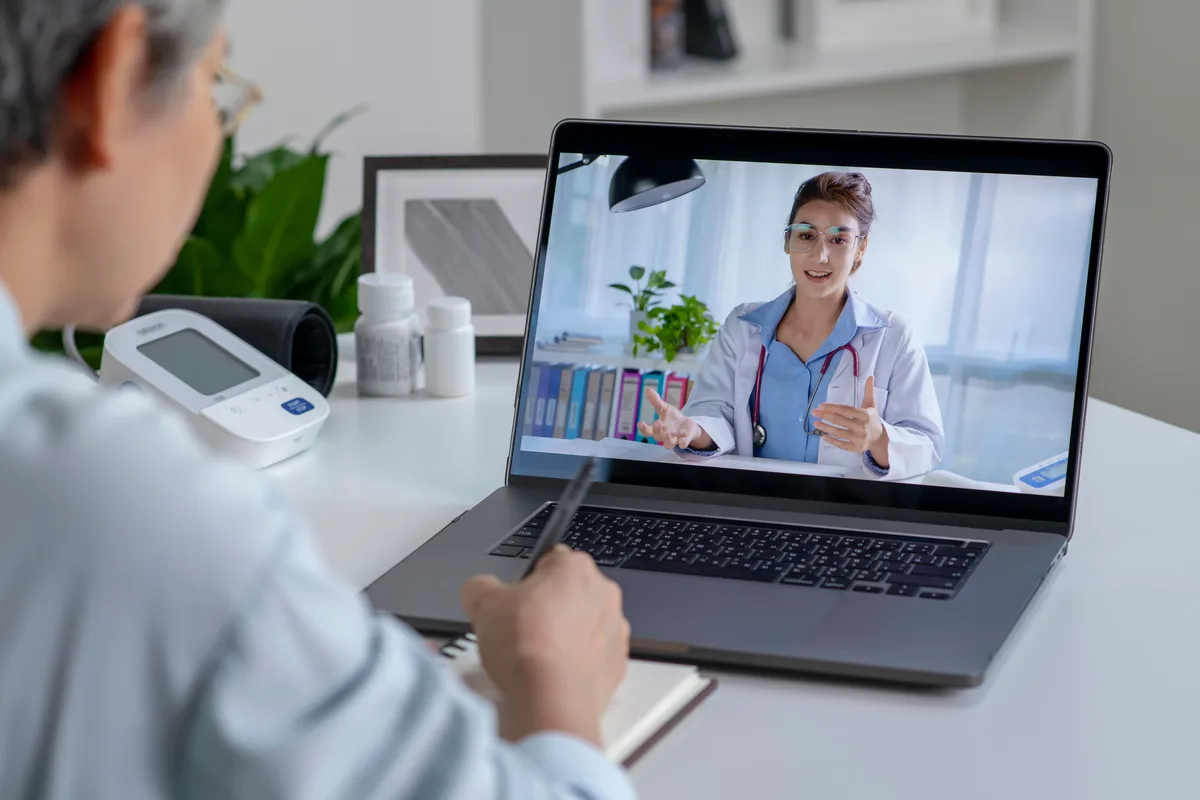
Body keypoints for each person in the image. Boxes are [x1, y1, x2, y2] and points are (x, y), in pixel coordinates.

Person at [0, 2, 634, 799]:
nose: (216, 131)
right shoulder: (128, 513)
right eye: (215, 85)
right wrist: (559, 687)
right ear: (114, 78)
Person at [638, 171, 944, 483]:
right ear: (788, 241)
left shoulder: (893, 336)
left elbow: (927, 445)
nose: (820, 256)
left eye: (838, 240)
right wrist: (692, 430)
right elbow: (713, 412)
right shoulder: (742, 327)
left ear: (860, 250)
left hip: (844, 510)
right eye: (806, 236)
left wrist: (878, 437)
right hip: (749, 504)